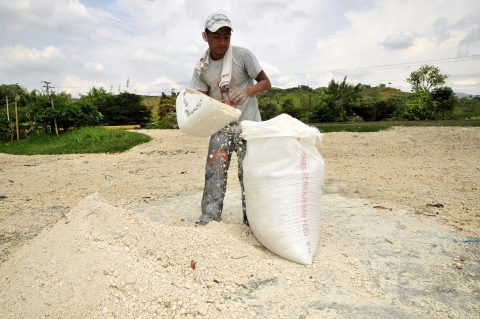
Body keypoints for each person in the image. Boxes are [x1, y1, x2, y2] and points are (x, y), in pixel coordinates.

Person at [191, 13, 271, 226]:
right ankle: (209, 220)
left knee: (250, 176)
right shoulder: (202, 68)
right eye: (216, 36)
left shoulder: (243, 56)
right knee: (214, 173)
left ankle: (253, 222)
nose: (222, 42)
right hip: (221, 128)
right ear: (205, 37)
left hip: (249, 126)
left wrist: (248, 90)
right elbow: (200, 99)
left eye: (226, 36)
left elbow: (265, 83)